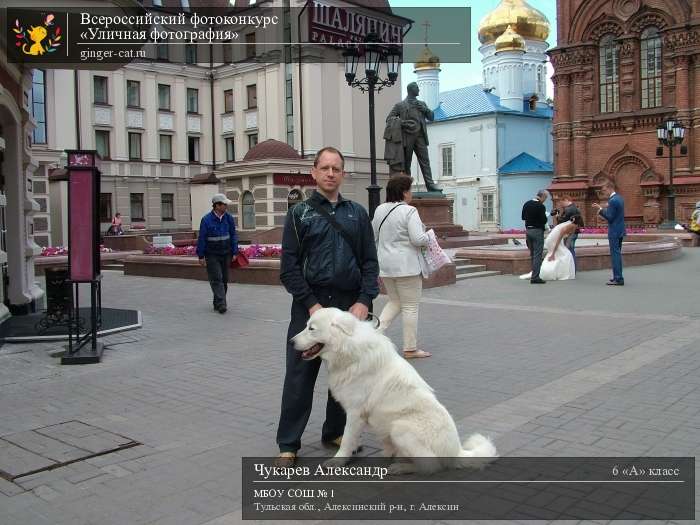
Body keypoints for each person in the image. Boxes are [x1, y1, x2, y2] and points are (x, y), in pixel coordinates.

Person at [277, 146, 379, 465]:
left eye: (336, 169)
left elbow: (370, 264)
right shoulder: (299, 214)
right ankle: (288, 443)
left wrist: (364, 301)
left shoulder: (357, 213)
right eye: (325, 168)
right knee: (299, 376)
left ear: (343, 174)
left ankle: (335, 432)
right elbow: (288, 267)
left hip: (348, 306)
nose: (331, 174)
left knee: (346, 373)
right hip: (310, 308)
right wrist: (311, 305)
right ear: (314, 173)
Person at [372, 175, 431, 359]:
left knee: (395, 301)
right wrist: (428, 236)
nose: (411, 193)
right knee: (410, 306)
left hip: (386, 265)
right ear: (404, 192)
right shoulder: (409, 211)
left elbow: (374, 234)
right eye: (410, 190)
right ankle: (410, 348)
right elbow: (417, 239)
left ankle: (373, 336)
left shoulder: (380, 209)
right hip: (407, 266)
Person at [385, 82, 440, 192]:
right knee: (406, 164)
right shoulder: (400, 105)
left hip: (420, 137)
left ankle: (430, 185)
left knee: (425, 161)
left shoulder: (422, 104)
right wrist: (403, 123)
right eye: (417, 88)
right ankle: (407, 187)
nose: (419, 90)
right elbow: (389, 118)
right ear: (411, 90)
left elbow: (432, 117)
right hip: (407, 137)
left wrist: (425, 109)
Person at [196, 193, 238, 313]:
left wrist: (235, 251)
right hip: (212, 254)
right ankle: (221, 304)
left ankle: (217, 301)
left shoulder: (228, 218)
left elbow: (233, 235)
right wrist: (201, 255)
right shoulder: (206, 220)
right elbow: (202, 238)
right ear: (217, 205)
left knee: (224, 280)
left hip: (226, 253)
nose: (226, 206)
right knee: (216, 279)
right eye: (224, 204)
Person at [593, 180, 625, 286]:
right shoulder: (619, 198)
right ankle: (618, 276)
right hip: (620, 230)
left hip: (614, 231)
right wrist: (603, 207)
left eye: (604, 190)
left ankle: (618, 278)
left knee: (615, 255)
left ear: (609, 188)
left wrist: (601, 211)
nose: (604, 192)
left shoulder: (612, 200)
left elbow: (610, 217)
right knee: (617, 253)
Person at [521, 190, 549, 284]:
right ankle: (535, 277)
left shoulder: (527, 203)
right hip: (537, 231)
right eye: (546, 198)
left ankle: (533, 273)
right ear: (543, 197)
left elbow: (523, 217)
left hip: (528, 231)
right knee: (537, 254)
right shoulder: (541, 206)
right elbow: (544, 220)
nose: (545, 200)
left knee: (532, 254)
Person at [556, 195, 582, 266]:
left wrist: (557, 217)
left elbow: (562, 221)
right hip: (575, 232)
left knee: (569, 251)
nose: (561, 205)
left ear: (566, 200)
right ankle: (572, 269)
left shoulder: (568, 209)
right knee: (571, 250)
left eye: (562, 202)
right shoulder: (576, 208)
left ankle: (571, 268)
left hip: (569, 232)